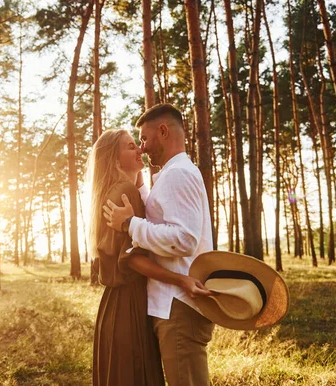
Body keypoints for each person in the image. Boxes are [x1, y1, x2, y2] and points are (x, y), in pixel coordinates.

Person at [102, 103, 215, 386]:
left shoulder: (177, 174)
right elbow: (161, 216)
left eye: (144, 138)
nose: (143, 147)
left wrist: (130, 225)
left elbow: (184, 239)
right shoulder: (172, 174)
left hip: (179, 305)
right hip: (175, 304)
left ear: (163, 131)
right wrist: (138, 187)